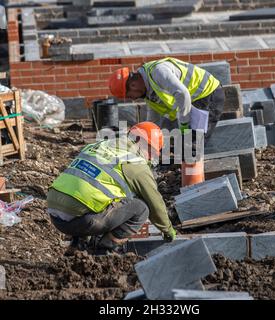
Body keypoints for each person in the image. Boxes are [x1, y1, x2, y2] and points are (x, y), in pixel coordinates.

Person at [46, 121, 176, 255]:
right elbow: (155, 202)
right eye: (153, 152)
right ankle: (105, 249)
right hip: (84, 219)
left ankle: (78, 245)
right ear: (144, 144)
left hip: (55, 214)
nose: (152, 157)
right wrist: (168, 230)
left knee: (94, 196)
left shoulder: (99, 145)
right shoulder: (136, 163)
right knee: (140, 208)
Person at [108, 57, 225, 141]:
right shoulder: (147, 91)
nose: (133, 100)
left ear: (133, 85)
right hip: (194, 101)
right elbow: (153, 119)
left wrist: (184, 125)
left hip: (208, 93)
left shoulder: (158, 72)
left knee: (194, 144)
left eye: (129, 96)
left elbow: (182, 94)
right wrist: (147, 138)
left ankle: (196, 174)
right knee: (186, 144)